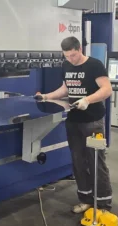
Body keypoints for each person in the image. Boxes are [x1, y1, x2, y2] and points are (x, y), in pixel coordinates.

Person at [35, 36, 113, 214]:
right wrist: (46, 96)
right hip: (74, 122)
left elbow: (107, 89)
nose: (70, 59)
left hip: (93, 123)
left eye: (73, 55)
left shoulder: (94, 65)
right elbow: (65, 89)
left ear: (80, 49)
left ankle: (103, 205)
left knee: (96, 161)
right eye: (67, 56)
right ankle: (85, 199)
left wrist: (87, 100)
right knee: (78, 161)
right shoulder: (66, 65)